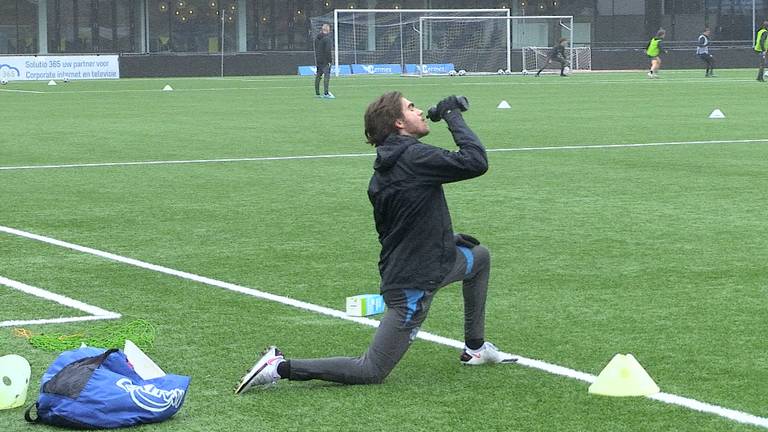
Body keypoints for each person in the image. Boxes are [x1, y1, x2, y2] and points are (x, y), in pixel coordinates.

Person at [235, 92, 516, 394]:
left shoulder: (390, 166)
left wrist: (445, 240)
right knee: (371, 370)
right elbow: (475, 161)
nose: (420, 111)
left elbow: (401, 225)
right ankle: (279, 366)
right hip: (412, 284)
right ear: (398, 122)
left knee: (479, 257)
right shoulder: (414, 158)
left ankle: (475, 348)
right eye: (411, 108)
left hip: (437, 262)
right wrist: (452, 115)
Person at [314, 24, 334, 98]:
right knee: (326, 76)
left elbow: (316, 49)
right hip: (325, 61)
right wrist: (330, 61)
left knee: (318, 76)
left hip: (319, 60)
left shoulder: (317, 38)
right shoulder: (327, 39)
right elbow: (328, 51)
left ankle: (317, 93)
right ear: (328, 30)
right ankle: (326, 93)